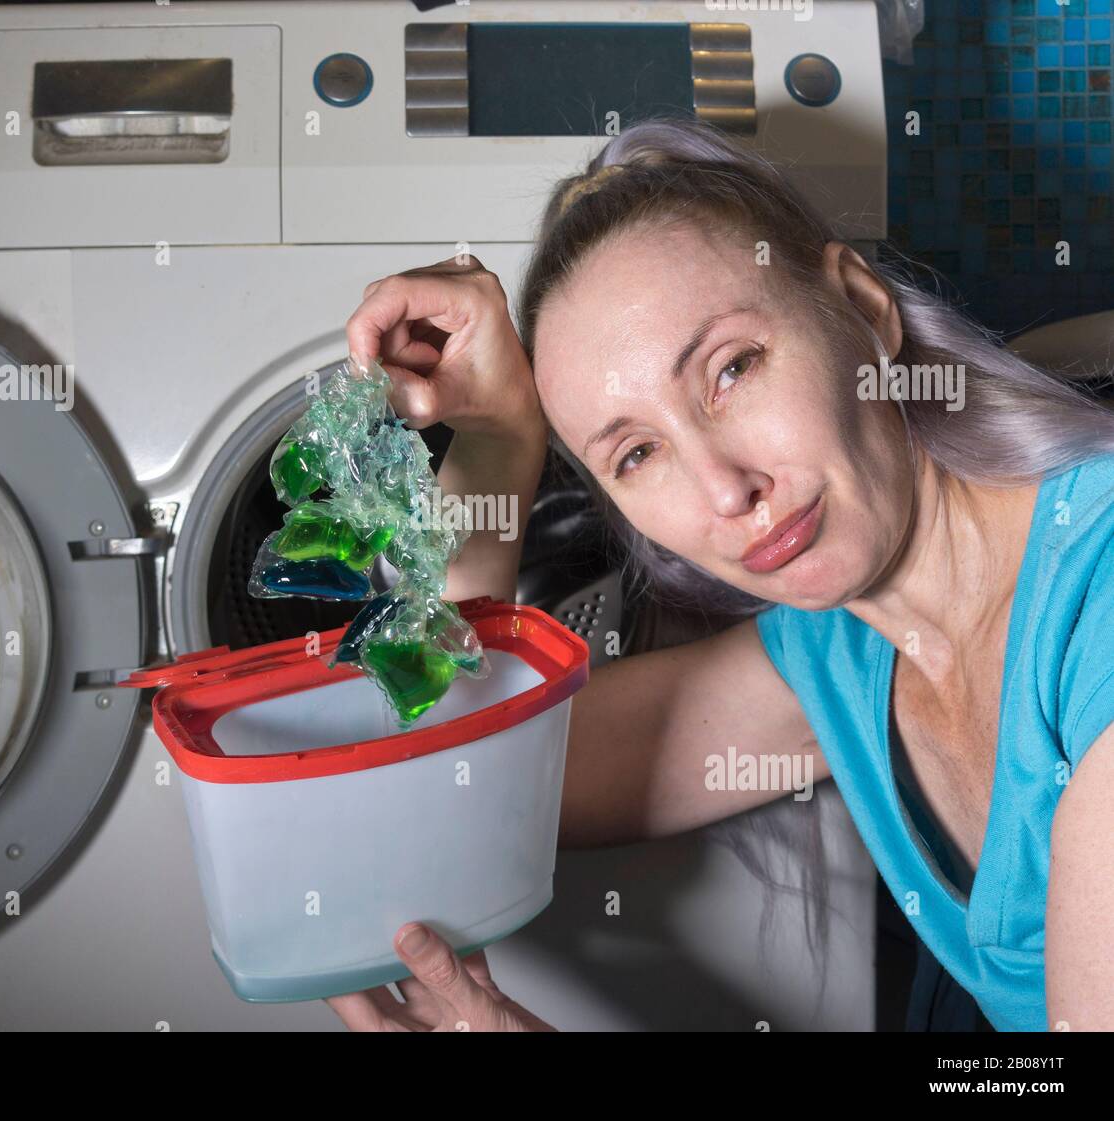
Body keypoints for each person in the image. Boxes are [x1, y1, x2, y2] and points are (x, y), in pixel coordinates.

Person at [326, 114, 1114, 1032]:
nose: (726, 489)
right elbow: (465, 771)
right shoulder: (843, 653)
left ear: (863, 309)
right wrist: (501, 443)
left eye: (733, 368)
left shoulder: (1093, 609)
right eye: (636, 454)